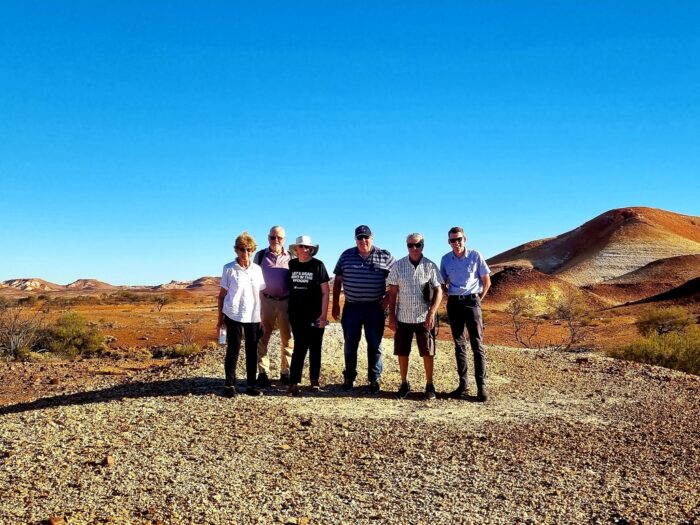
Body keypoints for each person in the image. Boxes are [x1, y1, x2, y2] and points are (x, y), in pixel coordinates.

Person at [332, 225, 395, 394]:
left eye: (366, 237)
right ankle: (349, 377)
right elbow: (338, 280)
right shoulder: (346, 255)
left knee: (374, 344)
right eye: (359, 238)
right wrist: (336, 304)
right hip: (351, 307)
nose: (363, 241)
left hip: (374, 308)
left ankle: (374, 378)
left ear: (372, 238)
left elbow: (397, 280)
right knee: (350, 344)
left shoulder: (385, 256)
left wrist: (388, 299)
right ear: (355, 240)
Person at [387, 233, 443, 400]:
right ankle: (404, 384)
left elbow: (439, 290)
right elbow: (392, 294)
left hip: (424, 317)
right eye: (410, 245)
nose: (413, 248)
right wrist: (391, 316)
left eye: (417, 245)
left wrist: (432, 312)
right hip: (403, 316)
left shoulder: (430, 266)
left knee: (428, 351)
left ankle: (429, 385)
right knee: (402, 352)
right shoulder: (398, 266)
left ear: (422, 246)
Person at [439, 226, 491, 402]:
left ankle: (481, 386)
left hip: (472, 302)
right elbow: (442, 281)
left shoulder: (475, 255)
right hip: (454, 303)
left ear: (465, 239)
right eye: (453, 240)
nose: (456, 243)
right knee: (459, 344)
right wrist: (448, 294)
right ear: (449, 242)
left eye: (459, 239)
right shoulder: (446, 259)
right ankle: (463, 384)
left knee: (477, 344)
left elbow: (486, 281)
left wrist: (478, 300)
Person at [216, 232, 266, 397]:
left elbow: (260, 295)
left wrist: (262, 319)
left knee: (252, 350)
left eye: (249, 249)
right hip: (233, 313)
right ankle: (229, 385)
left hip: (253, 315)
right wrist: (220, 319)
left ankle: (251, 385)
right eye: (241, 249)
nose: (245, 253)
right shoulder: (229, 268)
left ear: (253, 250)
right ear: (236, 250)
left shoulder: (257, 270)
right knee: (233, 349)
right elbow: (222, 294)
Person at [286, 235, 330, 396]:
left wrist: (323, 316)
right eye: (301, 247)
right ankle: (294, 381)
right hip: (296, 314)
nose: (304, 250)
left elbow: (326, 292)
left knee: (315, 347)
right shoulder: (292, 264)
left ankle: (314, 380)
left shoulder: (318, 265)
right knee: (299, 347)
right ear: (295, 249)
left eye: (307, 247)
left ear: (311, 249)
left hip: (315, 314)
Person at [253, 225, 294, 387]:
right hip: (266, 301)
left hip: (286, 301)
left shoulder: (291, 256)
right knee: (262, 337)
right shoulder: (260, 255)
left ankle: (286, 372)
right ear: (268, 237)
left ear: (284, 239)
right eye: (272, 237)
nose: (275, 240)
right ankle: (263, 373)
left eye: (279, 238)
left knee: (288, 338)